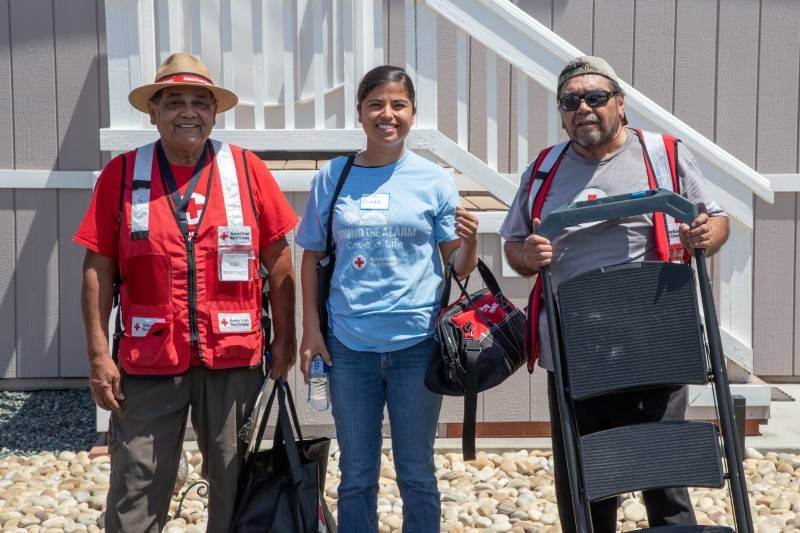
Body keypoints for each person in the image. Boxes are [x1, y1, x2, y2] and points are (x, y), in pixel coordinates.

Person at [500, 56, 729, 533]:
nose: (583, 107)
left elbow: (715, 219)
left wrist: (706, 234)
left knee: (665, 480)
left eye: (595, 97)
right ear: (562, 113)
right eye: (570, 101)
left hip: (655, 347)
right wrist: (529, 253)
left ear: (620, 105)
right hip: (575, 351)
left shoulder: (663, 154)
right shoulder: (543, 169)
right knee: (587, 485)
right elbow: (514, 249)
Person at [74, 52, 298, 532]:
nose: (188, 112)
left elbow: (279, 261)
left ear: (214, 113)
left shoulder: (248, 170)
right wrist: (97, 353)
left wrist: (286, 337)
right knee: (136, 481)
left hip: (234, 359)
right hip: (148, 360)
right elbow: (98, 269)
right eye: (174, 101)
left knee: (236, 482)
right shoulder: (122, 175)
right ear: (152, 112)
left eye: (199, 101)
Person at [295, 65, 479, 532]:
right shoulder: (333, 177)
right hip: (349, 346)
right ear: (360, 112)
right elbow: (312, 257)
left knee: (417, 473)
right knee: (356, 475)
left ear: (413, 113)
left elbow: (456, 268)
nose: (387, 114)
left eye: (398, 104)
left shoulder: (433, 180)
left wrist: (472, 243)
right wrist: (311, 331)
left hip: (418, 347)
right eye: (376, 104)